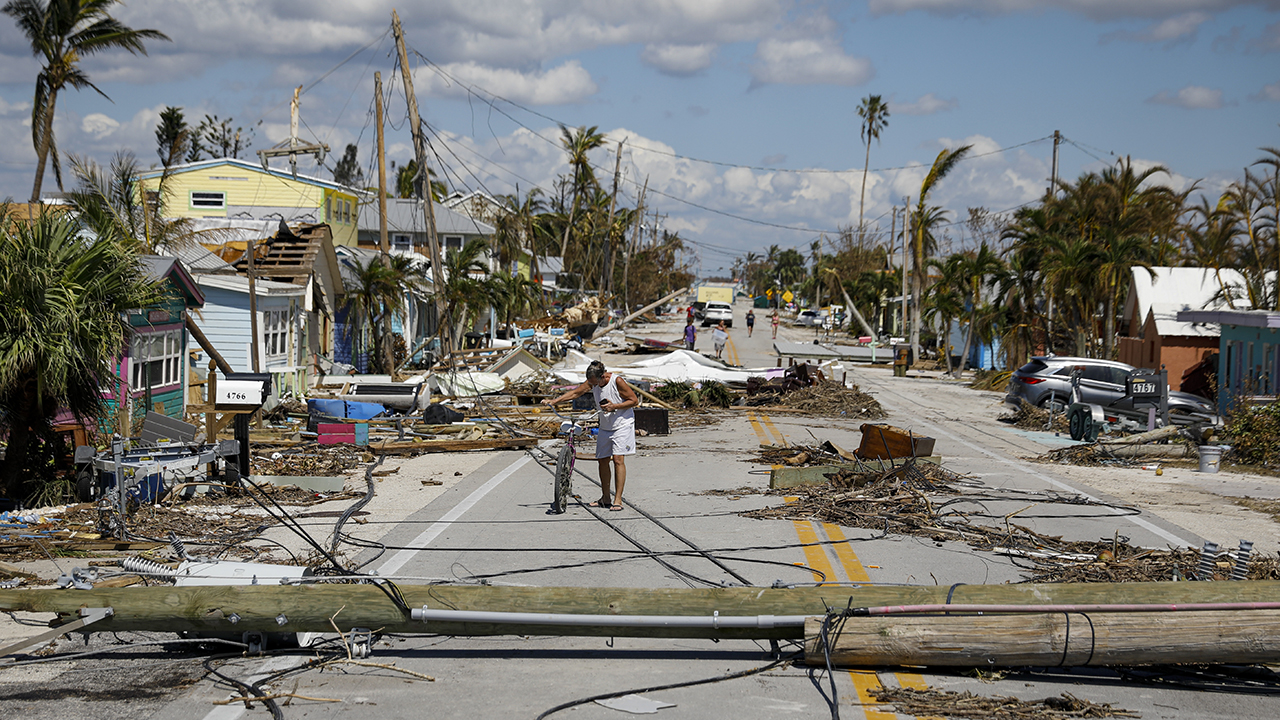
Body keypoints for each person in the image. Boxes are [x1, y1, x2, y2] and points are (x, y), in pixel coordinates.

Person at [542, 360, 637, 511]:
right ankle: (605, 497)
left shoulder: (616, 381)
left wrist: (614, 406)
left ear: (603, 376)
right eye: (591, 383)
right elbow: (576, 392)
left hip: (622, 424)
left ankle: (618, 499)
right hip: (606, 425)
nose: (593, 385)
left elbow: (634, 400)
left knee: (618, 459)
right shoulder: (593, 382)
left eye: (595, 382)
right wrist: (555, 401)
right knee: (602, 460)